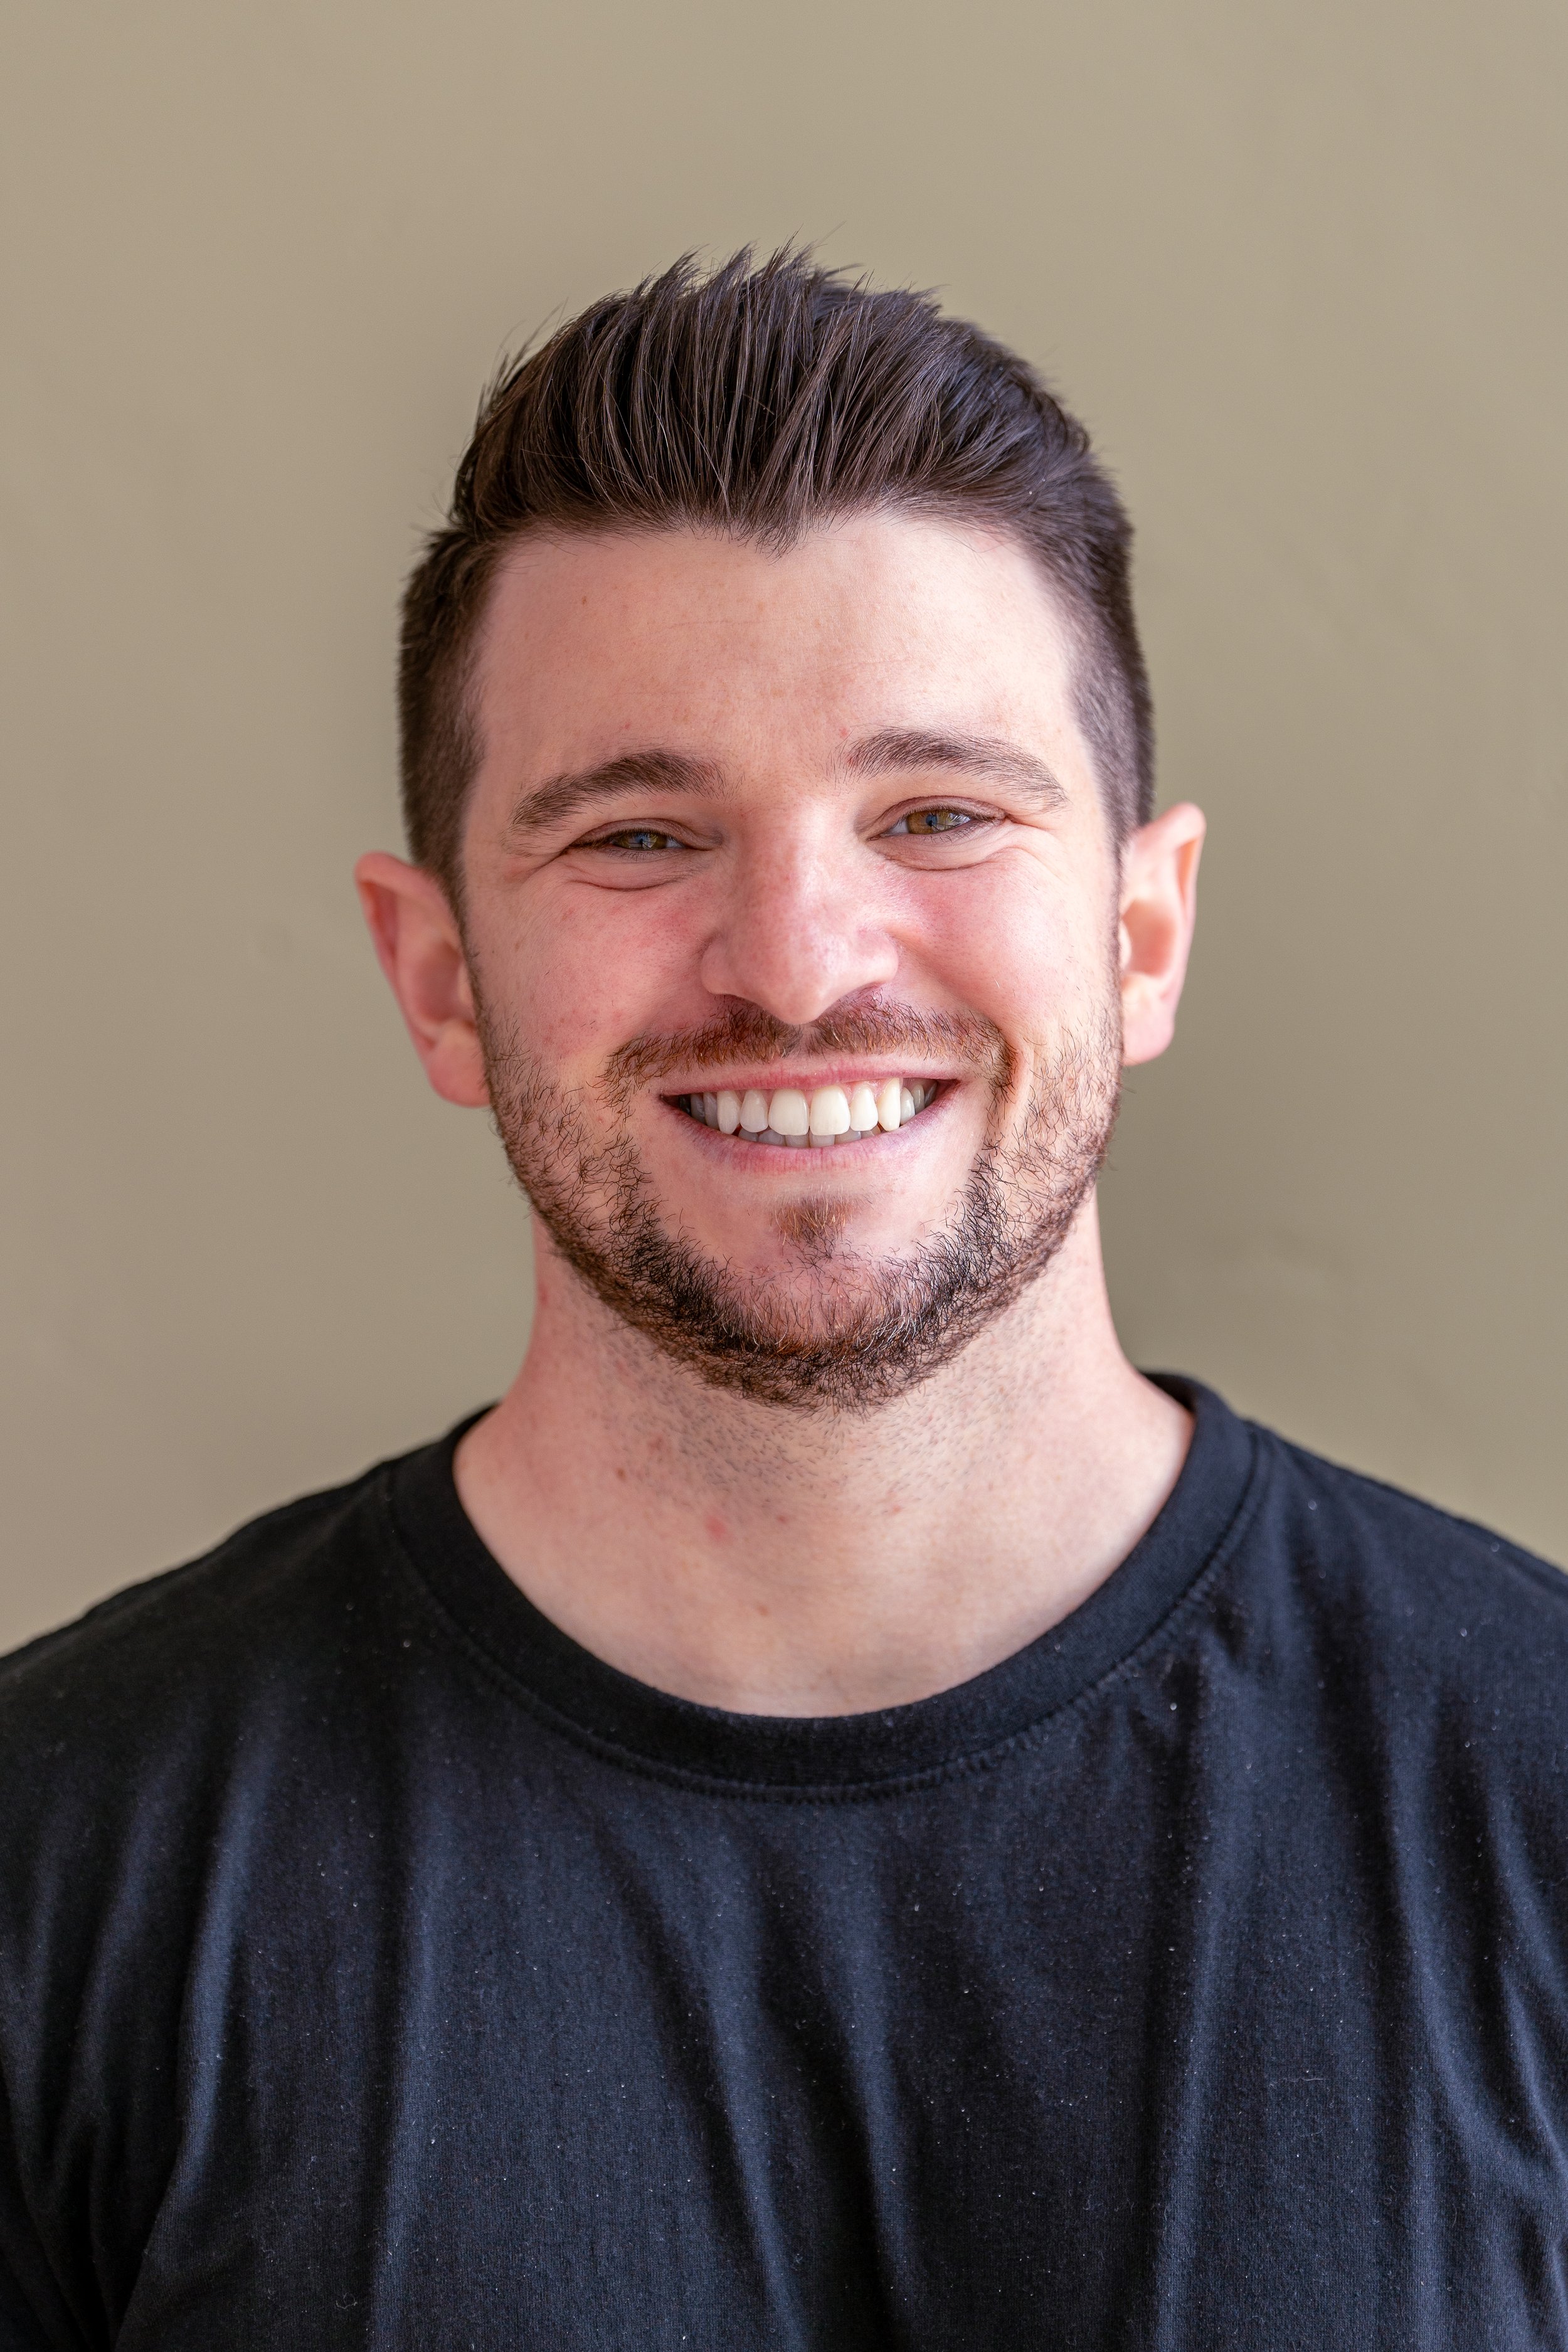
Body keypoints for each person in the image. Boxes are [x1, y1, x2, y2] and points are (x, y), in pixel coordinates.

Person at [3, 250, 1565, 2352]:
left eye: (935, 813)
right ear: (440, 979)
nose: (801, 962)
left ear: (1141, 932)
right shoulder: (63, 1865)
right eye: (640, 837)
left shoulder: (1530, 1786)